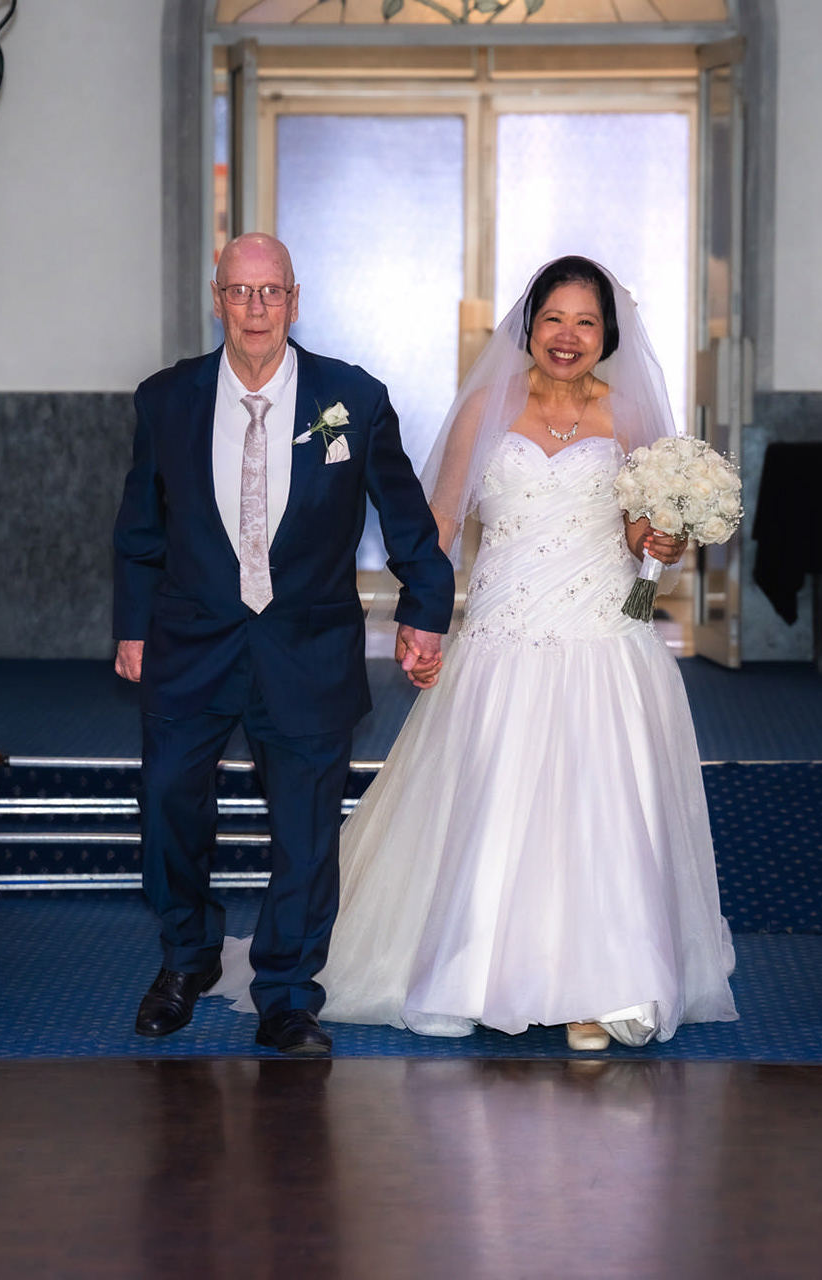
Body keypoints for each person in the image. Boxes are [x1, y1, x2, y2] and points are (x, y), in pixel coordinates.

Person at [216, 255, 739, 1051]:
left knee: (600, 816)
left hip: (604, 641)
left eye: (586, 322)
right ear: (529, 326)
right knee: (496, 809)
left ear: (607, 335)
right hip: (503, 639)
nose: (567, 336)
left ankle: (603, 989)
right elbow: (438, 525)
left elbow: (642, 535)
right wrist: (419, 622)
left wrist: (660, 540)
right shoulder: (485, 410)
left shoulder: (630, 416)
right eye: (553, 318)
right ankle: (476, 972)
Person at [112, 232, 456, 1057]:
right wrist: (131, 624)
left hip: (307, 645)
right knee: (167, 805)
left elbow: (404, 515)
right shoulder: (166, 399)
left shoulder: (352, 398)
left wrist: (426, 606)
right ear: (217, 298)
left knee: (305, 833)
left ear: (295, 301)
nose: (256, 307)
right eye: (240, 291)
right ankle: (186, 957)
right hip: (190, 642)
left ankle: (289, 995)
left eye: (272, 292)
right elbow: (140, 527)